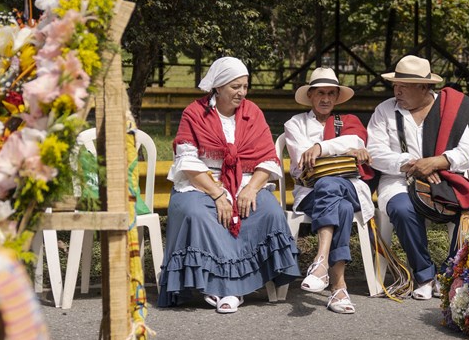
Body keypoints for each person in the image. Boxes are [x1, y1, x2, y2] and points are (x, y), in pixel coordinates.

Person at [158, 56, 301, 313]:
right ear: (219, 87)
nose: (242, 92)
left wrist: (250, 188)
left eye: (245, 86)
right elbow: (188, 161)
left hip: (245, 180)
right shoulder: (194, 113)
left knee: (267, 210)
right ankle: (220, 287)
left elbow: (268, 158)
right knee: (196, 213)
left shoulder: (252, 113)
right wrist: (217, 194)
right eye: (236, 86)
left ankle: (239, 285)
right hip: (202, 181)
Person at [366, 55, 469, 300]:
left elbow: (466, 152)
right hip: (398, 179)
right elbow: (374, 153)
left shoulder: (449, 110)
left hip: (442, 178)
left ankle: (449, 274)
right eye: (395, 85)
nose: (397, 90)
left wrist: (436, 162)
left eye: (404, 86)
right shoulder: (385, 110)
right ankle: (424, 275)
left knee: (468, 210)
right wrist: (411, 164)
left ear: (424, 87)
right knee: (401, 207)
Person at [283, 67, 375, 314]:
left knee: (329, 184)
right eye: (320, 93)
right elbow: (304, 163)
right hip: (310, 192)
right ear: (310, 95)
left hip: (350, 187)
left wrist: (320, 147)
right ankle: (339, 287)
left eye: (331, 94)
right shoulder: (294, 124)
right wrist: (342, 149)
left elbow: (356, 142)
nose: (326, 99)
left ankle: (320, 261)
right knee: (338, 202)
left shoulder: (349, 121)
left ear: (336, 97)